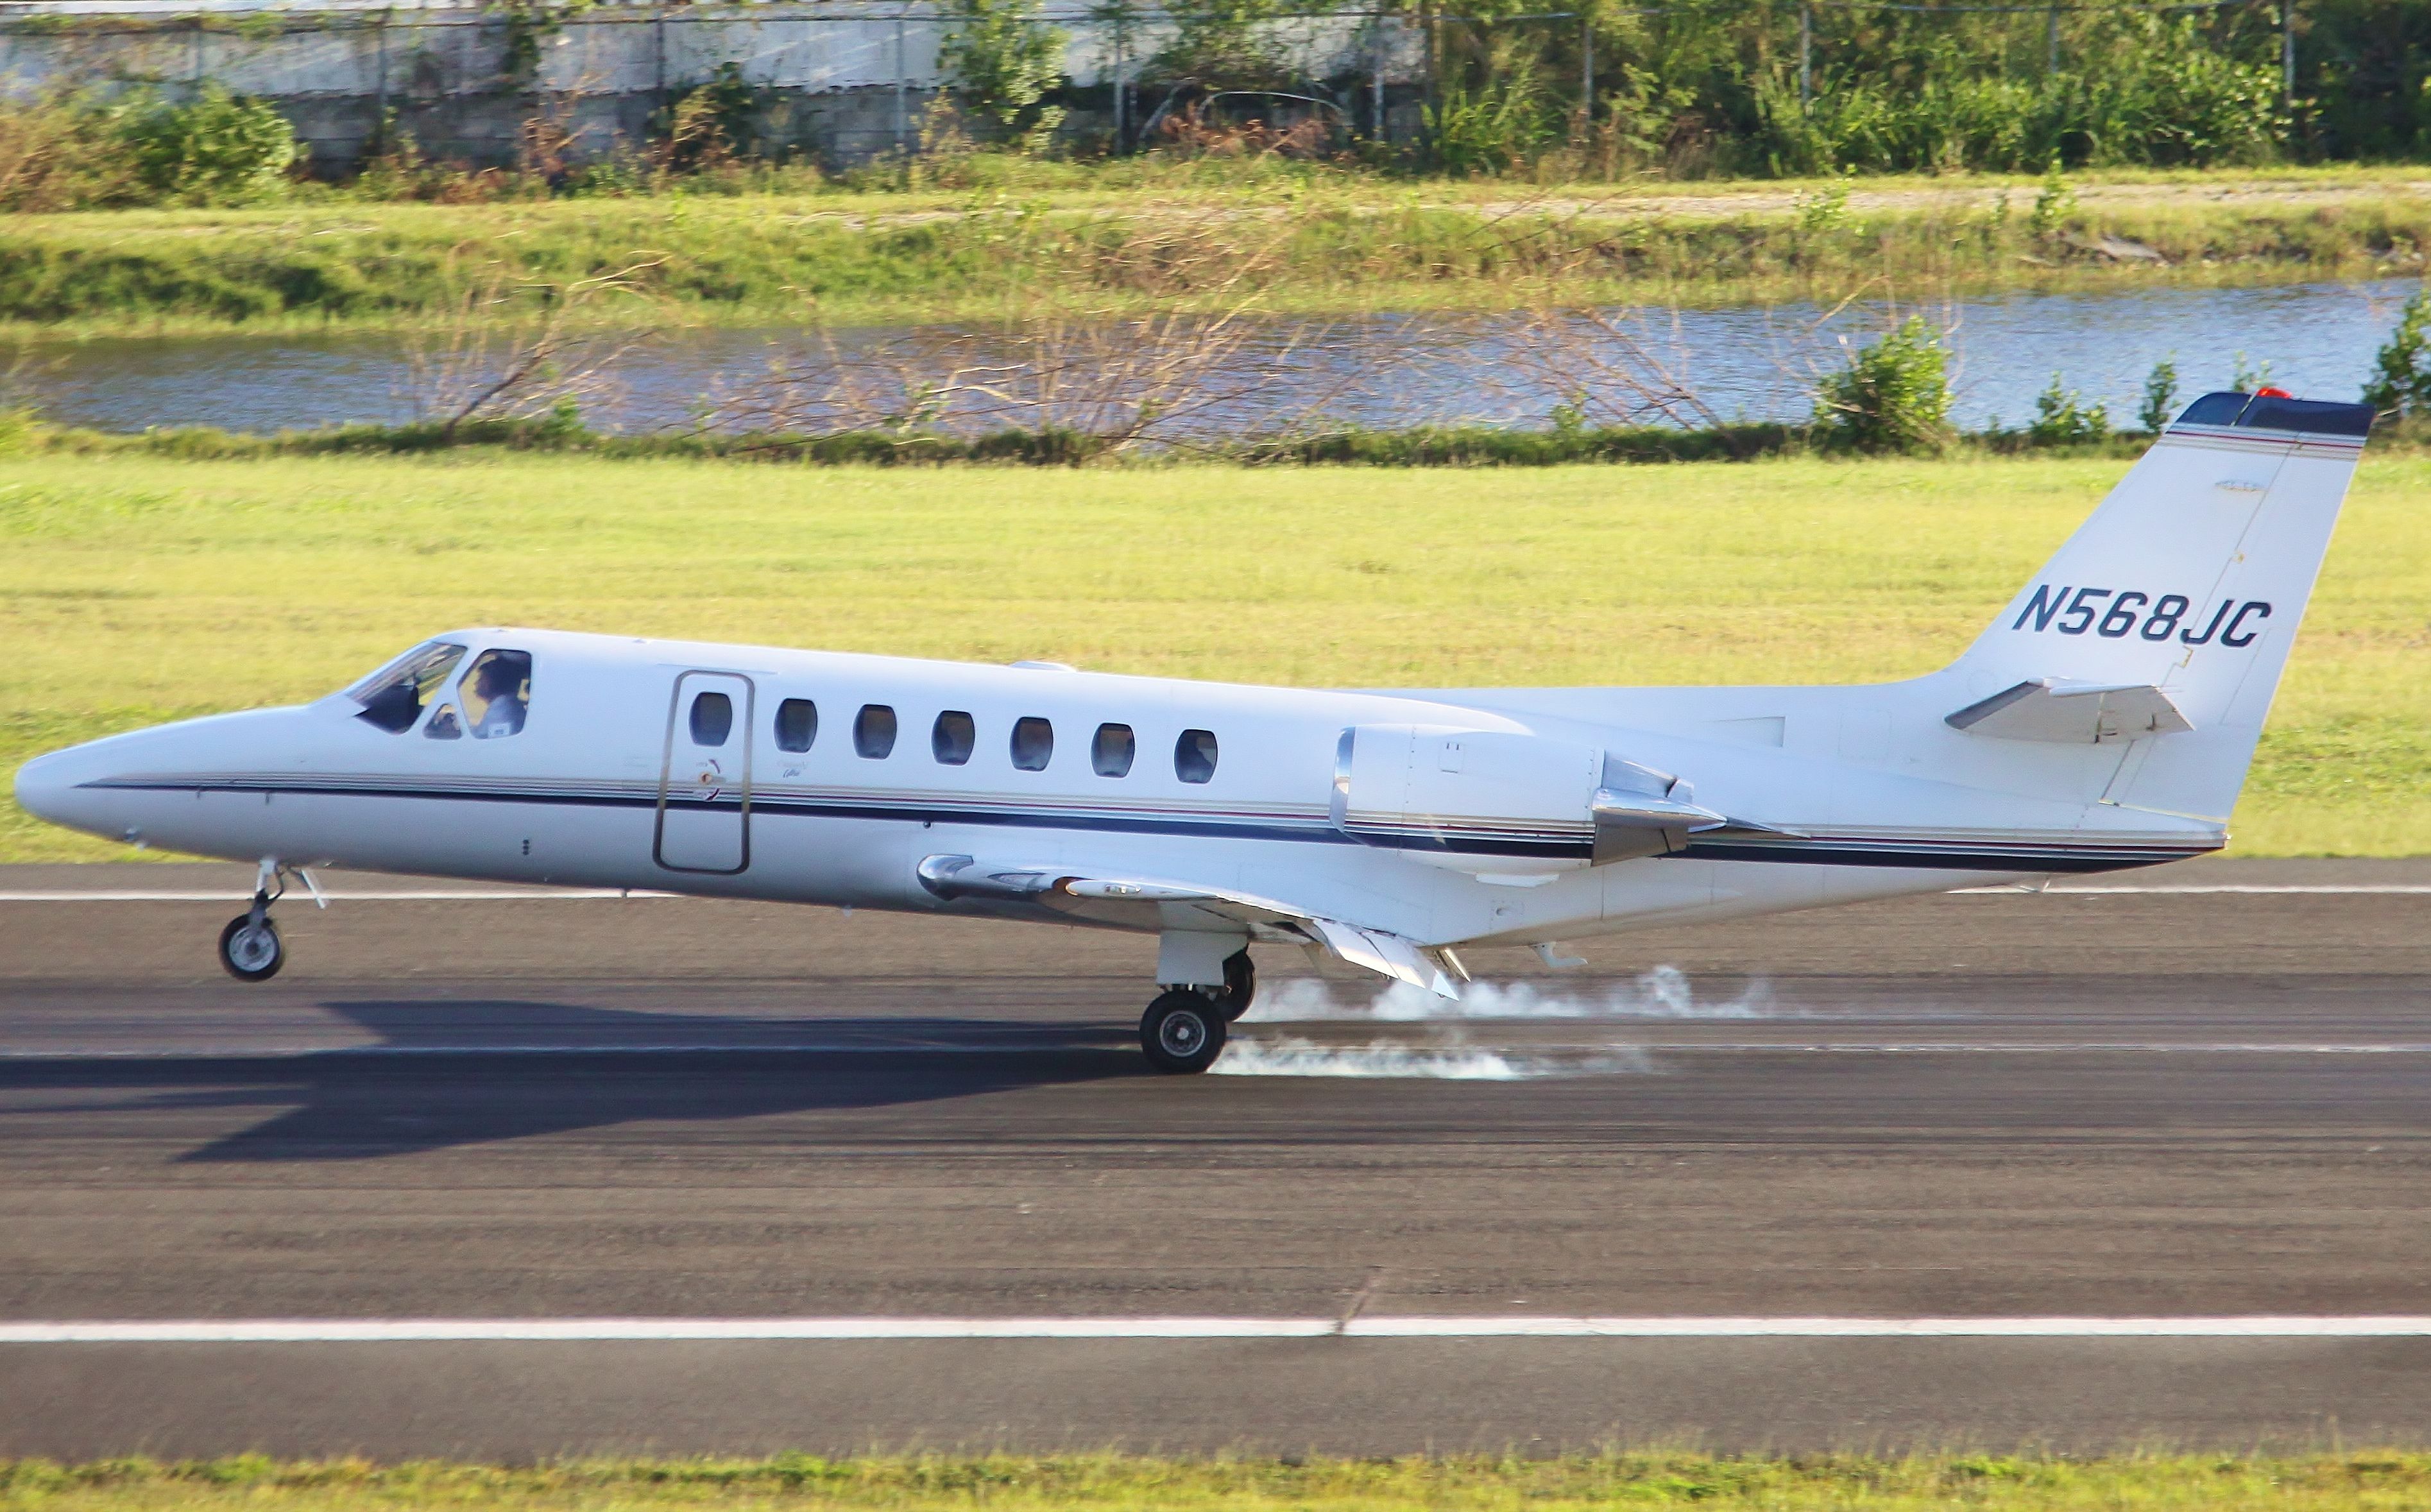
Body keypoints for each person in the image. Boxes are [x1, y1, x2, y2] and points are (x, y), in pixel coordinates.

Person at [468, 654, 527, 738]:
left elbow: (482, 740)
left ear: (489, 683)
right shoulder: (509, 704)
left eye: (481, 679)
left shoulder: (501, 711)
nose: (476, 683)